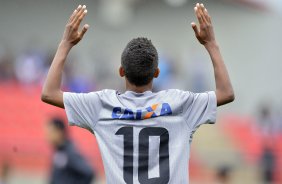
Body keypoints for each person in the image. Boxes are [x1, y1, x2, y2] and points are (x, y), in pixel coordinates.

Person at [41, 3, 234, 183]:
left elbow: (49, 93)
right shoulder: (180, 103)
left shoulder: (101, 105)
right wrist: (211, 44)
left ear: (121, 71)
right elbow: (226, 93)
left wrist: (66, 43)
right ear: (157, 73)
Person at [46, 117, 94, 184]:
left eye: (50, 132)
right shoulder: (58, 151)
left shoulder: (70, 152)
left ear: (59, 131)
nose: (48, 136)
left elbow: (89, 173)